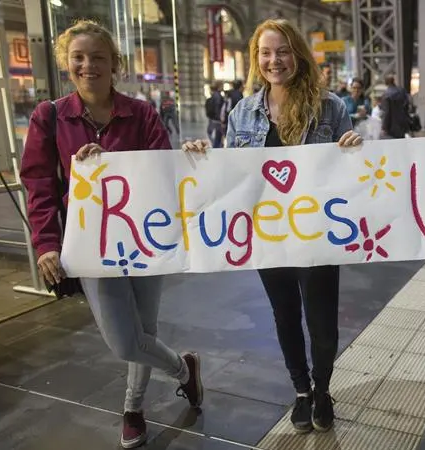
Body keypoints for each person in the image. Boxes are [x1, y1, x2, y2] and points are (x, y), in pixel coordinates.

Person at [19, 20, 202, 449]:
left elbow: (163, 169)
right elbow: (39, 184)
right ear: (67, 65)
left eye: (98, 57)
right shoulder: (50, 117)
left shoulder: (140, 113)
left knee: (145, 327)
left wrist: (190, 157)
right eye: (79, 58)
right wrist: (46, 243)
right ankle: (183, 369)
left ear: (114, 64)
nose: (88, 66)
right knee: (127, 341)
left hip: (144, 239)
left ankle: (133, 408)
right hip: (91, 246)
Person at [183, 18, 362, 434]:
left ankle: (322, 389)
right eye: (265, 52)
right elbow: (233, 174)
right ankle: (300, 390)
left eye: (281, 50)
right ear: (255, 58)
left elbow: (352, 178)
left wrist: (355, 149)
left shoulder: (330, 106)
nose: (273, 60)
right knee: (284, 315)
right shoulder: (243, 112)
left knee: (322, 320)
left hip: (317, 231)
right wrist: (201, 156)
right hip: (267, 235)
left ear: (297, 53)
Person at [381, 74, 412, 138]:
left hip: (391, 127)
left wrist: (384, 127)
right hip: (403, 124)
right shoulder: (402, 91)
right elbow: (407, 106)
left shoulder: (386, 95)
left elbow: (387, 112)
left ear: (386, 82)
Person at [205, 81, 224, 147]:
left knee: (213, 133)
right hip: (216, 120)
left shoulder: (213, 95)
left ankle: (217, 146)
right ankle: (217, 147)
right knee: (217, 135)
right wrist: (220, 119)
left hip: (213, 118)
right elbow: (218, 108)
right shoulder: (218, 96)